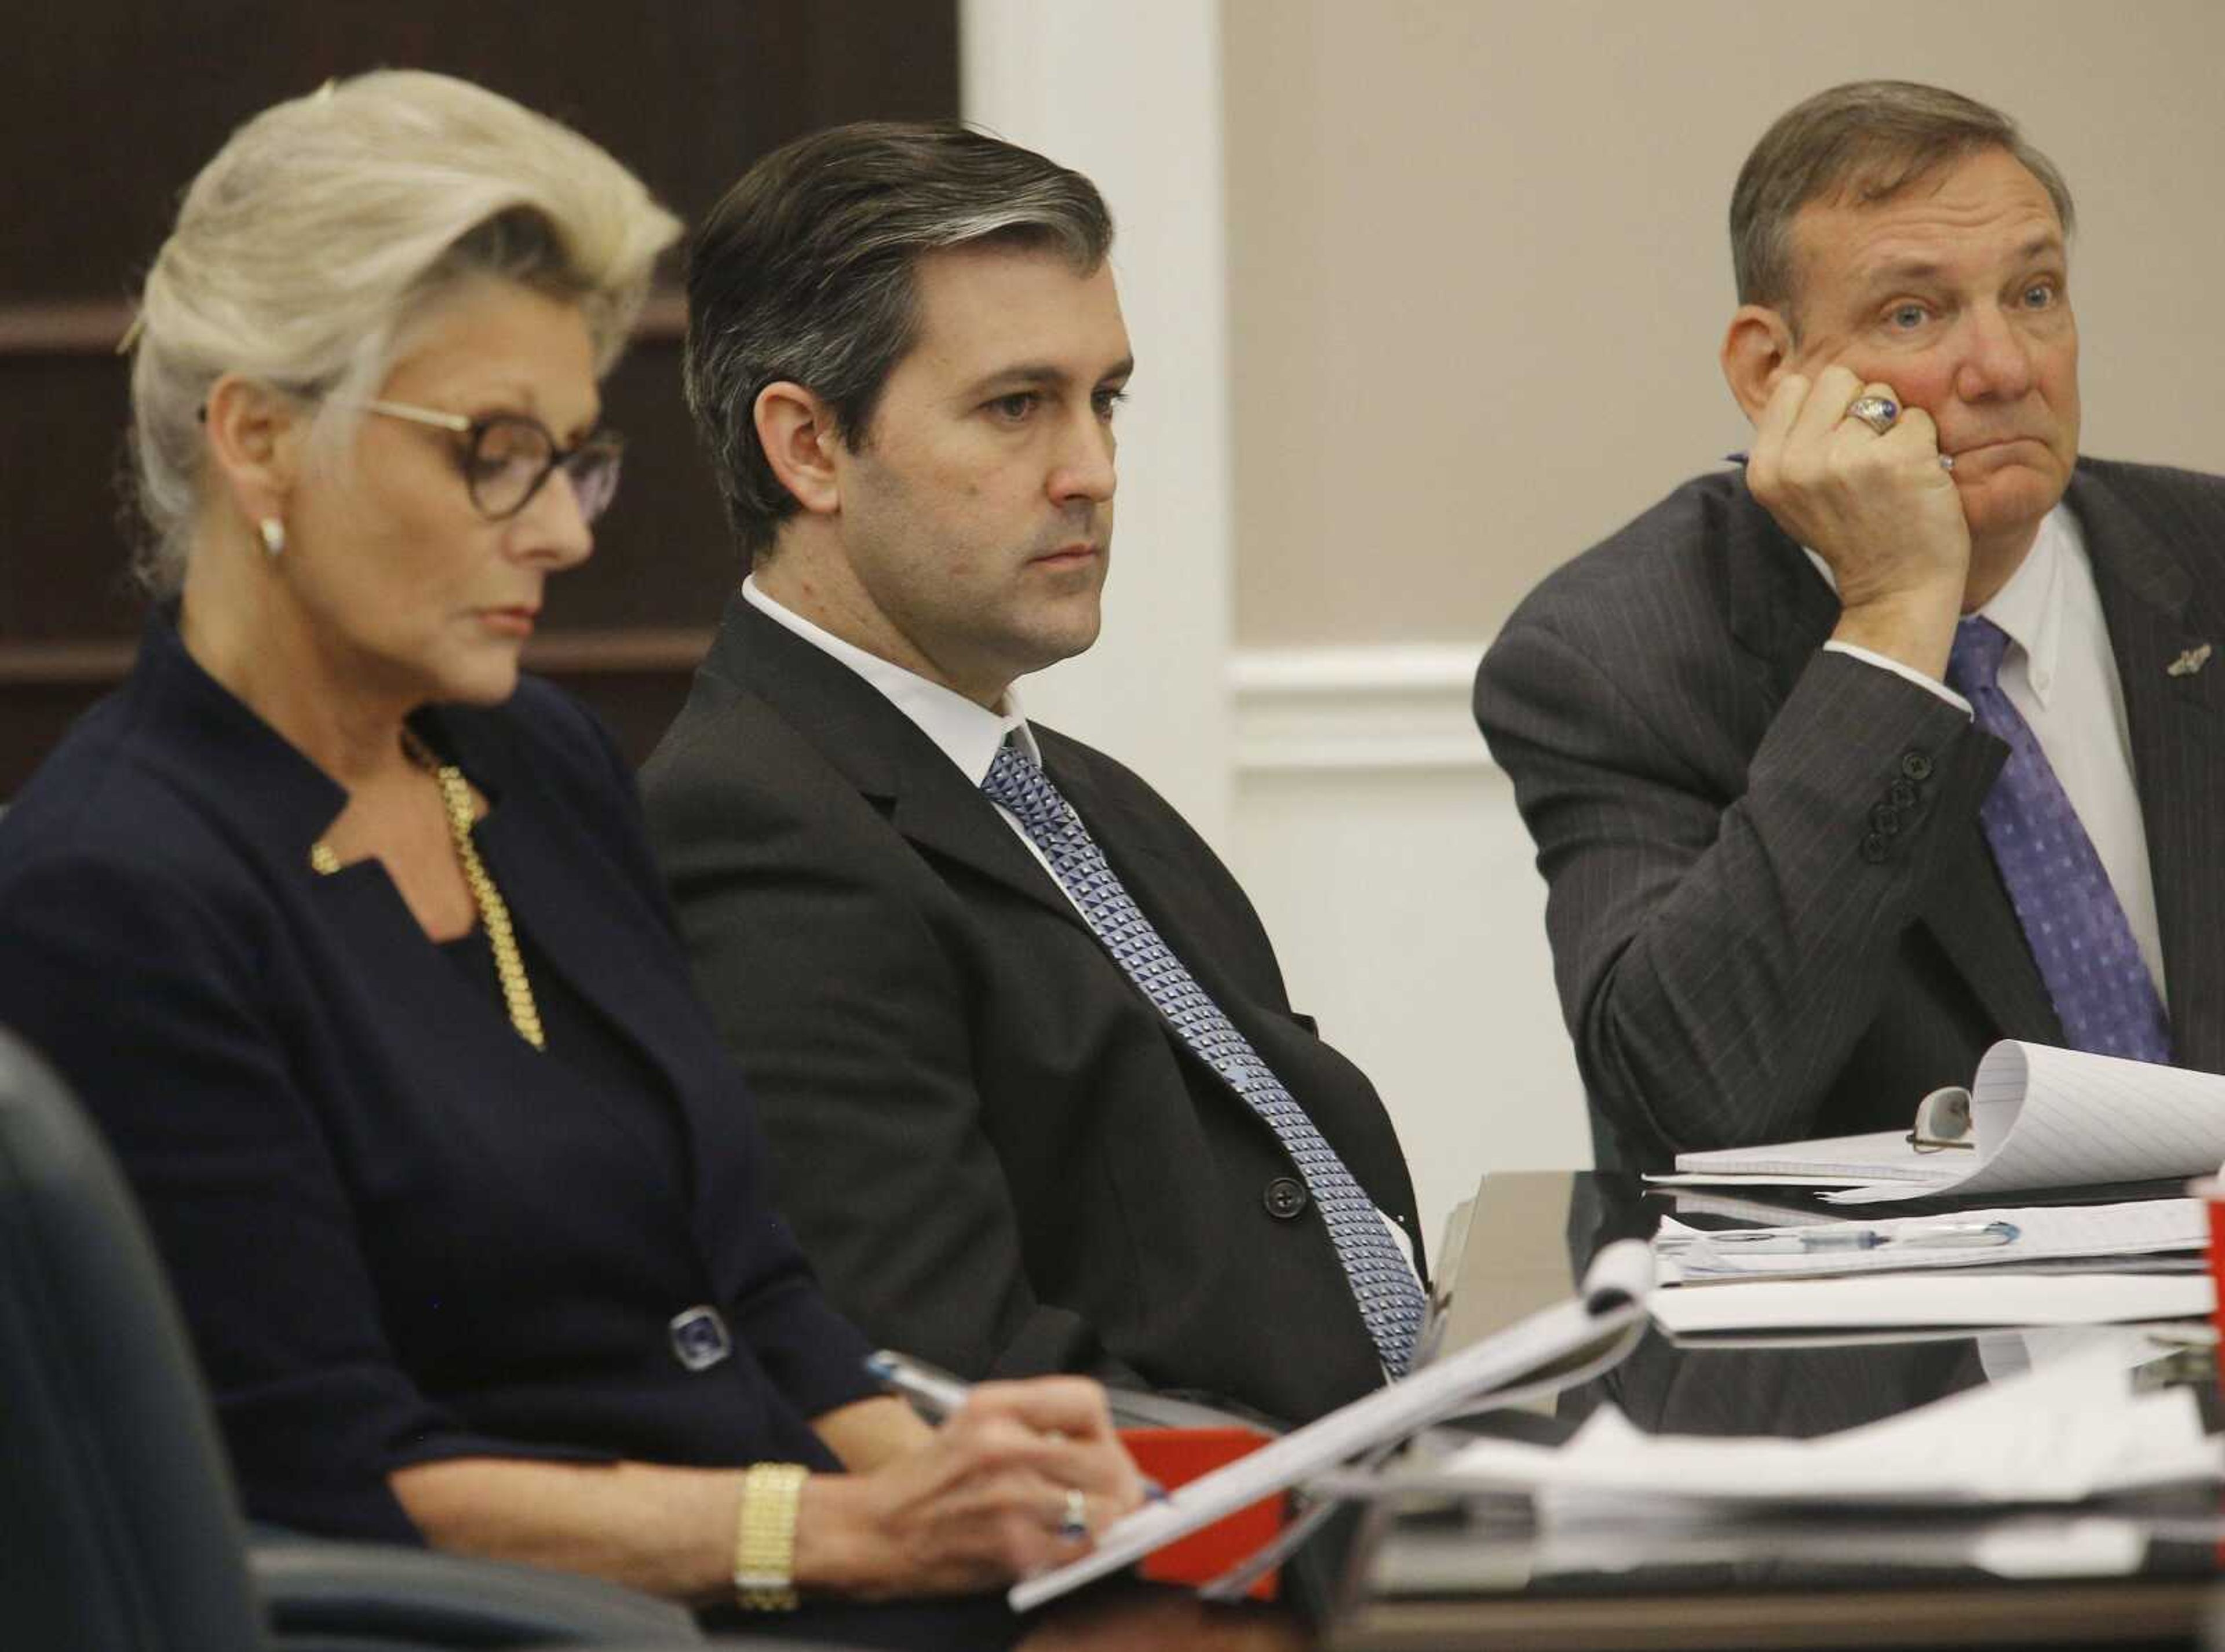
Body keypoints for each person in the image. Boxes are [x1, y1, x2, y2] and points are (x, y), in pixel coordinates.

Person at [0, 72, 1147, 1647]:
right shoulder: (114, 893)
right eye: (493, 454)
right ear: (262, 441)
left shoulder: (534, 764)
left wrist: (992, 1496)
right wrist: (852, 1528)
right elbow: (339, 1476)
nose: (561, 531)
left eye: (573, 459)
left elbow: (758, 1291)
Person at [640, 122, 1426, 1428]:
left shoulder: (1075, 793)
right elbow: (956, 1385)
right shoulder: (750, 831)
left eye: (1103, 399)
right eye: (1017, 407)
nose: (1093, 473)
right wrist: (1345, 1503)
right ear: (809, 448)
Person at [1475, 81, 2225, 1172]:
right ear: (1770, 370)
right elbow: (1689, 1097)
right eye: (1913, 314)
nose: (2006, 368)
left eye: (2036, 293)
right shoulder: (1614, 653)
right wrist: (1892, 624)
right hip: (1907, 1334)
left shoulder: (2205, 557)